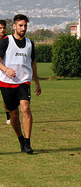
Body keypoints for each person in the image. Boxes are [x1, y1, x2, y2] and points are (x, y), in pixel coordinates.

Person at [0, 14, 42, 154]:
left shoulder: (30, 43)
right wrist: (6, 69)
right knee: (14, 116)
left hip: (24, 82)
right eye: (20, 25)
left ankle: (28, 142)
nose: (23, 28)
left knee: (26, 109)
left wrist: (36, 82)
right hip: (7, 83)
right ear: (14, 26)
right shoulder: (5, 41)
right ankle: (20, 139)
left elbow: (32, 63)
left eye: (25, 26)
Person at [0, 20, 11, 124]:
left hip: (3, 73)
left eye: (4, 28)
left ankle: (9, 117)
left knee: (6, 98)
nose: (2, 30)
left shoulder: (7, 40)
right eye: (0, 28)